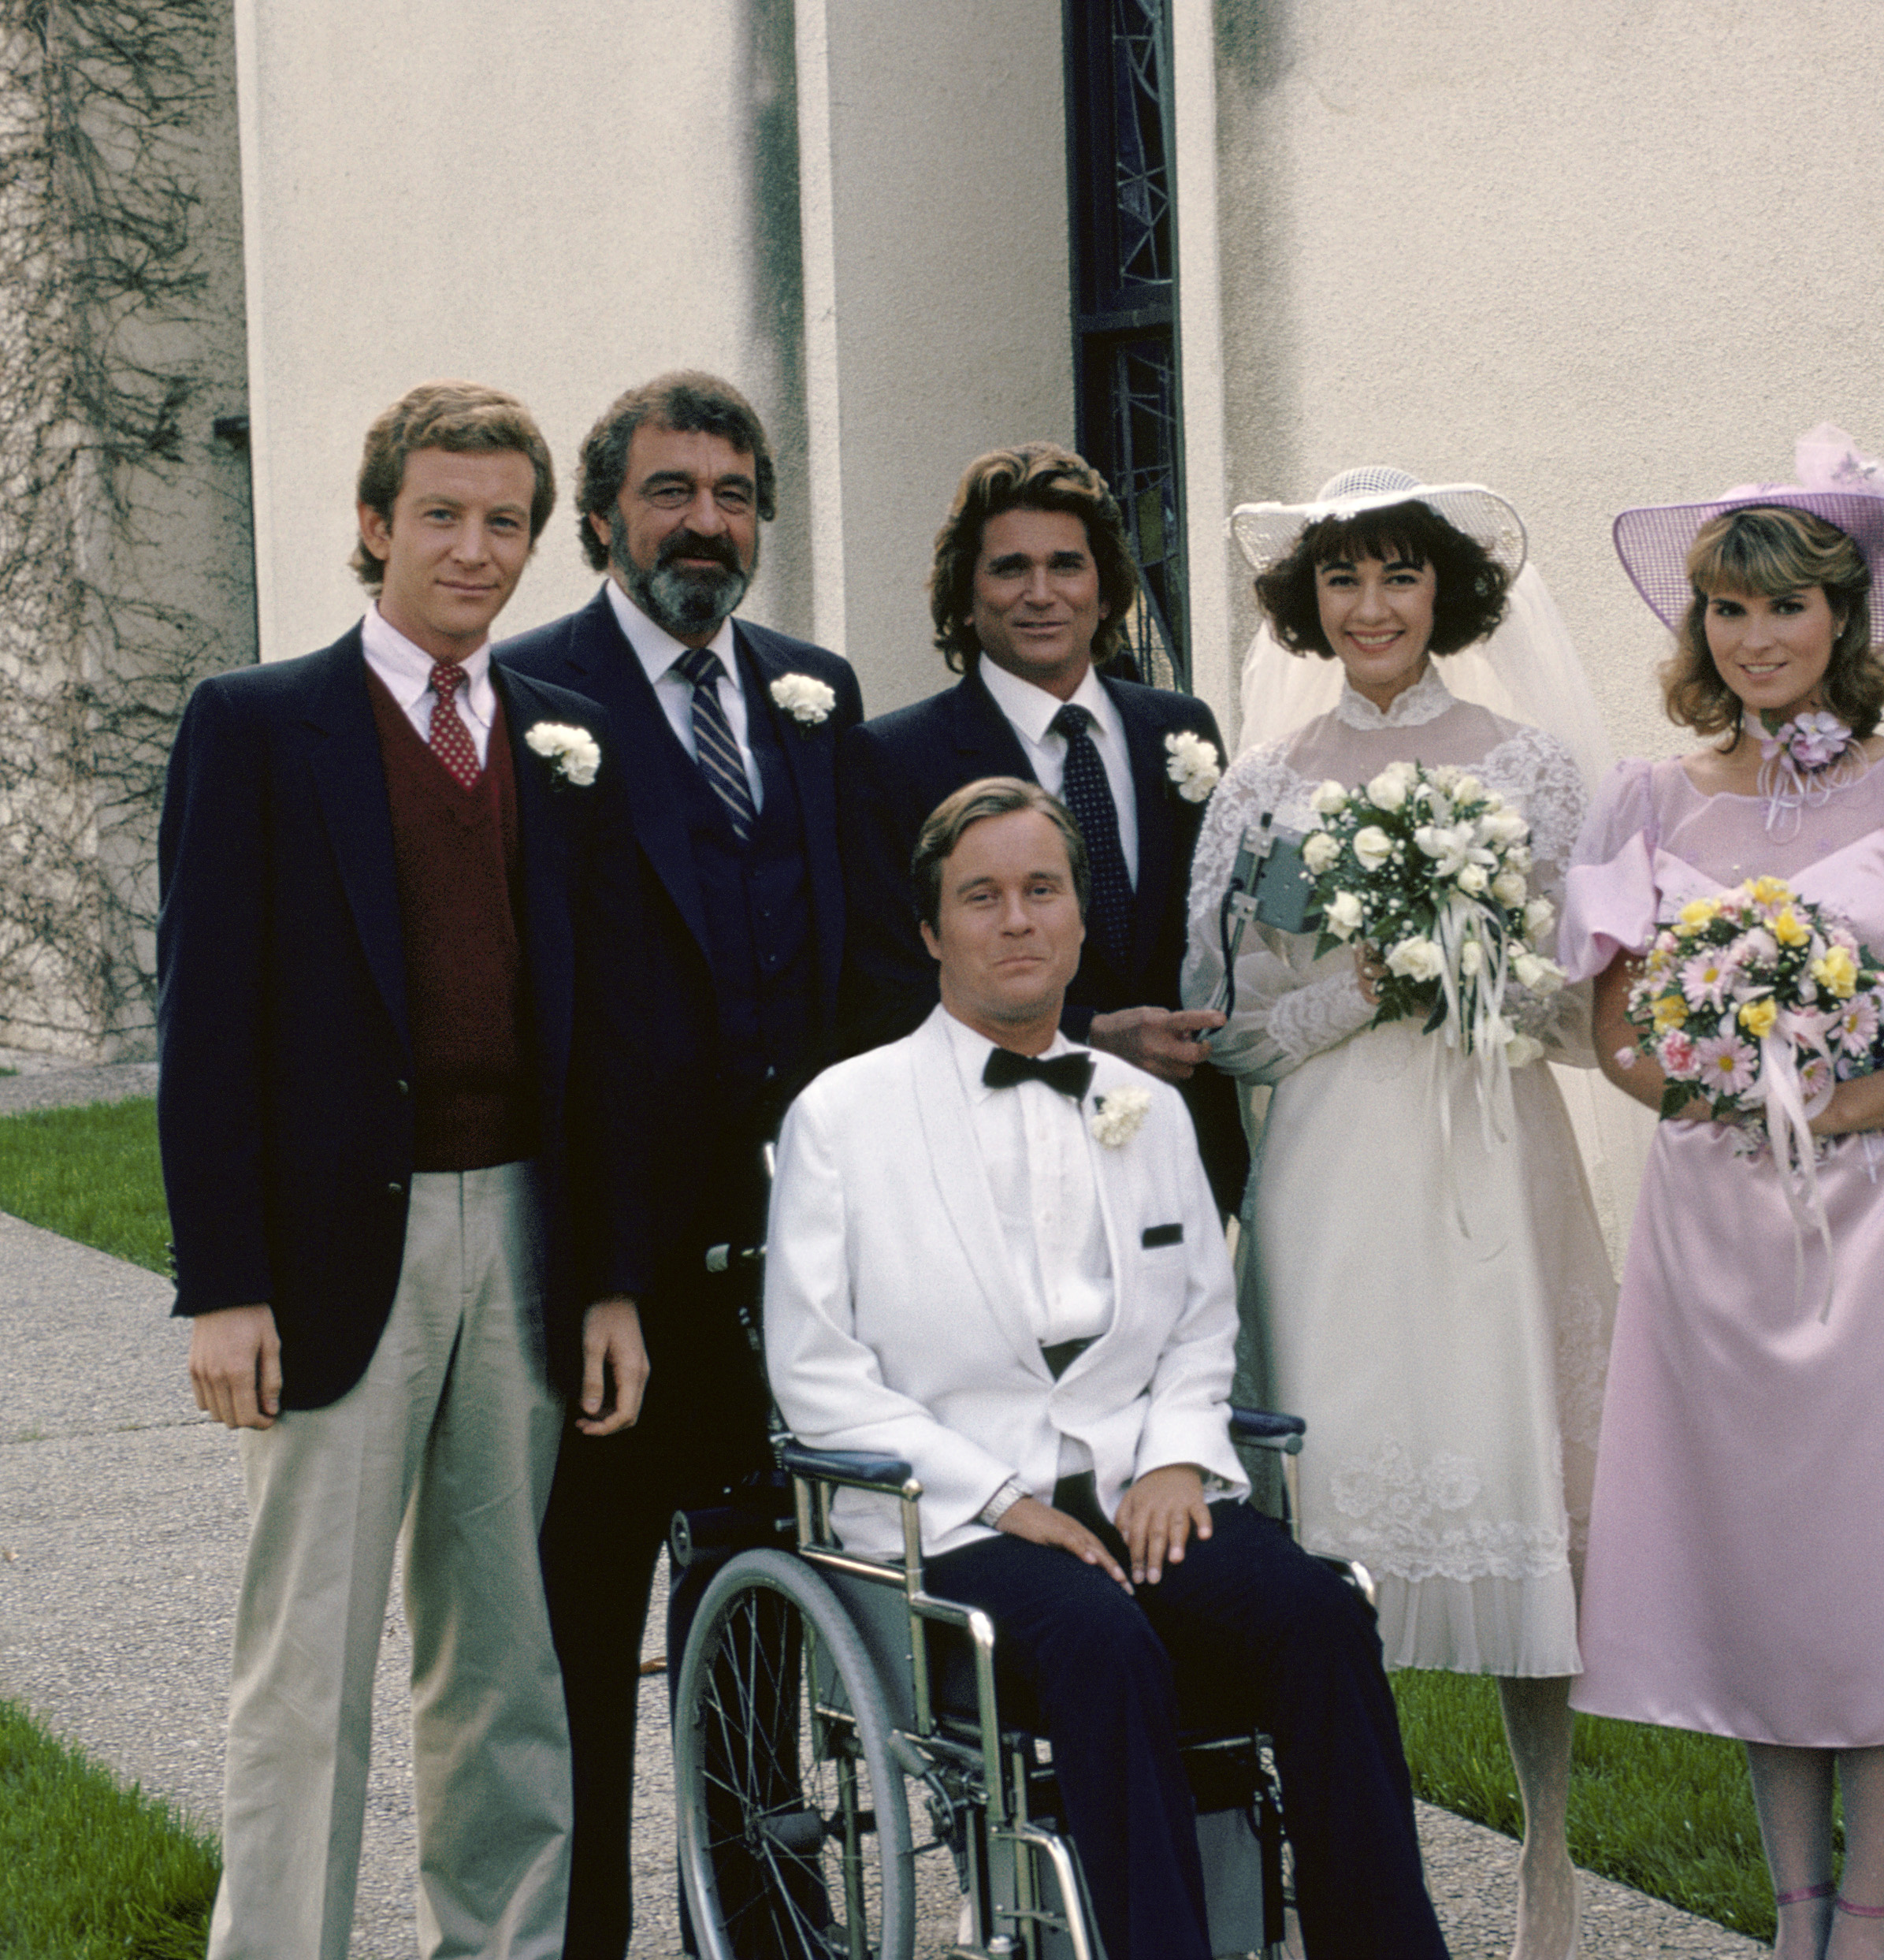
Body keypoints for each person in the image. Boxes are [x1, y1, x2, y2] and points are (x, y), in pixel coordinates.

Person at [1559, 428, 1884, 1960]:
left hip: (1883, 1223)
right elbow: (1615, 1039)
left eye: (1788, 608)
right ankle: (1793, 1909)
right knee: (1764, 1562)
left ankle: (1871, 1912)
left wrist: (1840, 1102)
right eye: (1729, 610)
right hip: (1718, 1225)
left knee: (1878, 1558)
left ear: (1845, 624)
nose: (1758, 636)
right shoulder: (1649, 802)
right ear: (1701, 631)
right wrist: (1720, 1075)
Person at [764, 777, 1449, 1960]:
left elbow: (1198, 1319)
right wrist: (999, 1497)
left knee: (1318, 1615)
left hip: (1138, 1480)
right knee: (1101, 1642)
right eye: (981, 896)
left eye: (1043, 889)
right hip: (958, 1516)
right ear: (931, 929)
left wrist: (1182, 1453)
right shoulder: (844, 1115)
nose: (1017, 919)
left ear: (1081, 918)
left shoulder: (1144, 1105)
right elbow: (818, 1371)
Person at [158, 381, 648, 1960]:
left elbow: (608, 1040)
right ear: (373, 526)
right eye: (440, 513)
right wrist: (224, 1282)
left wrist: (613, 1279)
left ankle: (497, 1944)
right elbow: (207, 1025)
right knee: (306, 1665)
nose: (474, 547)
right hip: (324, 1254)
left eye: (505, 520)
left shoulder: (565, 742)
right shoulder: (257, 725)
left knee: (504, 1659)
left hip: (521, 1230)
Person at [1180, 467, 1621, 1960]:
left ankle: (1548, 1857)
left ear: (1447, 594)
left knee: (1517, 1499)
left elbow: (1592, 1020)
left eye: (1398, 578)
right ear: (1306, 605)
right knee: (1324, 1534)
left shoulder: (1535, 770)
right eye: (1342, 582)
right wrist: (1360, 989)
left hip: (1489, 1166)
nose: (1370, 608)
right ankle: (1331, 1866)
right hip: (1328, 1191)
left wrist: (1479, 969)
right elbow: (1226, 1028)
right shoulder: (1265, 781)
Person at [494, 369, 864, 1958]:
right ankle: (581, 1937)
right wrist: (605, 1277)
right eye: (670, 490)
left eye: (731, 493)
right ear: (600, 518)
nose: (705, 521)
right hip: (608, 1281)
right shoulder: (520, 700)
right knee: (578, 1640)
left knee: (770, 1619)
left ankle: (767, 1926)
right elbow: (531, 1030)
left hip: (791, 1266)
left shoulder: (815, 693)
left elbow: (861, 977)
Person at [836, 441, 1249, 1214]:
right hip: (999, 1165)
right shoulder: (891, 761)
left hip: (1182, 1160)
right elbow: (887, 993)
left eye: (1066, 565)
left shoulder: (1181, 728)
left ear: (1104, 587)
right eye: (1008, 569)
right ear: (964, 596)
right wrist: (1087, 1033)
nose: (1040, 594)